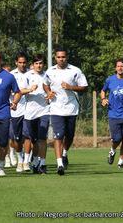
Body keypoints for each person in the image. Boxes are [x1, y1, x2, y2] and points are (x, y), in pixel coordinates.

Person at [43, 47, 88, 175]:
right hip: (56, 109)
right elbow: (45, 83)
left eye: (63, 57)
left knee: (69, 136)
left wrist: (71, 87)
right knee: (58, 136)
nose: (61, 59)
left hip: (72, 109)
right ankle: (59, 164)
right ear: (55, 58)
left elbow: (85, 88)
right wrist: (48, 92)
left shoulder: (75, 71)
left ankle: (64, 153)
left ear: (67, 57)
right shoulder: (50, 71)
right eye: (58, 57)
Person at [22, 54, 50, 174]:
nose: (39, 66)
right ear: (33, 65)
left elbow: (52, 90)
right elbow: (20, 91)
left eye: (41, 63)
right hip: (30, 112)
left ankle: (42, 164)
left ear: (43, 64)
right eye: (36, 63)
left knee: (42, 138)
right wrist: (29, 89)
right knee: (29, 139)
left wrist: (50, 94)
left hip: (44, 110)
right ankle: (28, 161)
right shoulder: (27, 76)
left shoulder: (48, 76)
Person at [9, 52, 28, 172]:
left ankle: (26, 161)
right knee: (16, 139)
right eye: (20, 62)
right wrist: (27, 90)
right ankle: (19, 158)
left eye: (24, 62)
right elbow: (14, 91)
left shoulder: (31, 74)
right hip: (15, 111)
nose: (22, 64)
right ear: (16, 62)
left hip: (29, 110)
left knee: (28, 136)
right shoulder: (11, 75)